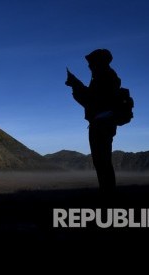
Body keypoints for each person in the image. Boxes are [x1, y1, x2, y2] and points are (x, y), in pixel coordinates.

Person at [65, 49, 121, 192]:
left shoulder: (106, 77)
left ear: (99, 62)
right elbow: (91, 99)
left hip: (102, 124)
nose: (89, 66)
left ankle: (108, 196)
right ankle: (107, 194)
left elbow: (91, 100)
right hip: (102, 124)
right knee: (101, 161)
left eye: (91, 63)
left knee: (102, 161)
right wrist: (76, 85)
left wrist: (75, 84)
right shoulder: (105, 77)